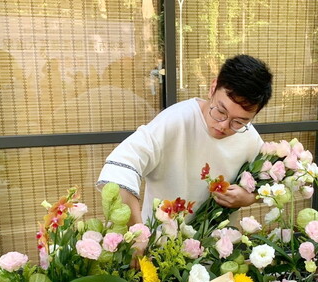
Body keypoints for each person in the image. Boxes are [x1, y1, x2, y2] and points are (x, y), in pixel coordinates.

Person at [97, 54, 273, 225]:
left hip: (218, 248)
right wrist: (137, 231)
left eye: (239, 121)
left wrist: (250, 198)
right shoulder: (176, 120)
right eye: (220, 111)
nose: (223, 126)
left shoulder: (248, 136)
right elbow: (119, 167)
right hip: (160, 246)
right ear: (213, 87)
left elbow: (277, 185)